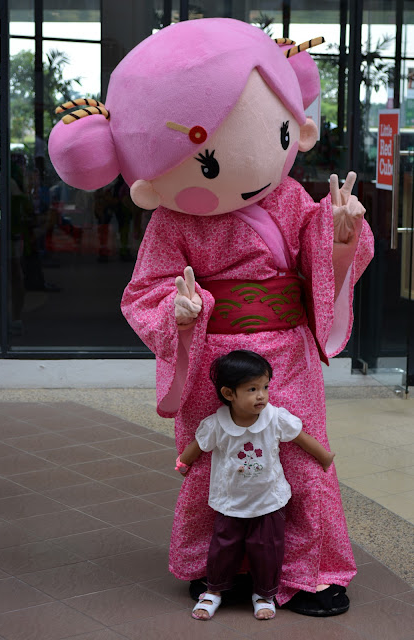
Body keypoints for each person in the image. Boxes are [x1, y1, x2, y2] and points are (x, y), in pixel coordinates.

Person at [48, 18, 374, 614]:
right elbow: (144, 290)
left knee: (297, 456)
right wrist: (180, 312)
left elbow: (316, 254)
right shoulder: (171, 221)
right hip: (211, 358)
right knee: (216, 460)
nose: (255, 163)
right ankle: (215, 565)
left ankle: (309, 570)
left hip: (288, 356)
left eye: (279, 130)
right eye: (205, 164)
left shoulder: (292, 197)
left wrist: (342, 235)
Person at [176, 350, 335, 621]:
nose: (262, 395)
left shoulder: (275, 418)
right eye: (252, 389)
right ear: (229, 393)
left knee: (268, 548)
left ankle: (264, 594)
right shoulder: (218, 424)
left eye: (265, 387)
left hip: (269, 500)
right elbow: (198, 446)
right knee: (222, 547)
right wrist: (184, 462)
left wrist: (324, 457)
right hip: (230, 501)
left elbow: (300, 438)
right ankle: (213, 591)